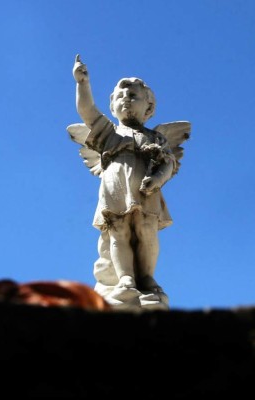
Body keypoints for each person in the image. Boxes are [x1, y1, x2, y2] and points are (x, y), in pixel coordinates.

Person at [70, 55, 186, 310]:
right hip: (115, 184)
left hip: (147, 186)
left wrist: (157, 179)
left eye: (134, 96)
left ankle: (146, 277)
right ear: (112, 106)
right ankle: (124, 278)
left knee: (146, 229)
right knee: (118, 230)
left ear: (149, 108)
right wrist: (82, 83)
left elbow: (168, 163)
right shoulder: (109, 133)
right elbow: (87, 111)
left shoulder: (155, 137)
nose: (126, 100)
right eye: (120, 97)